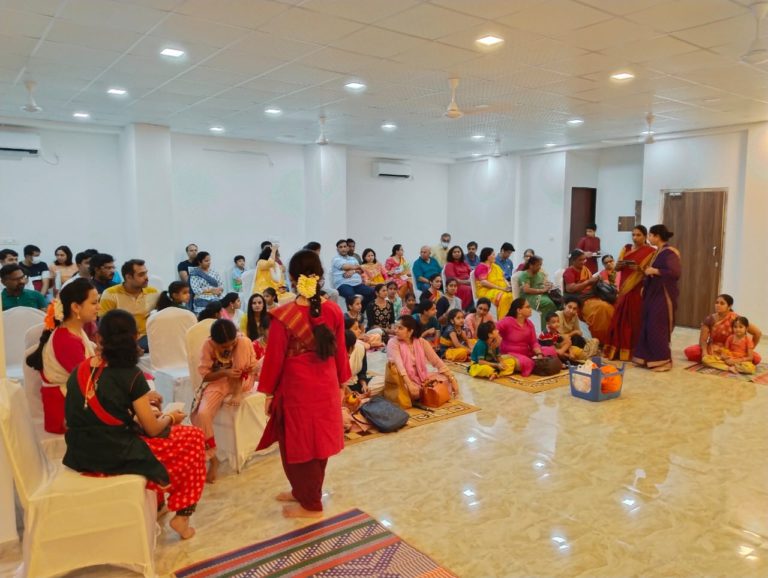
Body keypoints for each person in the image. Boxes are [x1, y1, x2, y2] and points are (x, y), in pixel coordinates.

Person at [63, 309, 206, 540]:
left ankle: (158, 502)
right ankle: (182, 515)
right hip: (116, 453)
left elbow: (82, 413)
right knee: (193, 437)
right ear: (134, 338)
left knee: (158, 435)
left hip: (80, 453)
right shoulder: (131, 374)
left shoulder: (79, 370)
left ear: (99, 337)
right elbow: (152, 428)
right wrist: (170, 417)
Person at [256, 250, 351, 518]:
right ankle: (302, 491)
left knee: (298, 443)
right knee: (316, 443)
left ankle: (311, 503)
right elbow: (340, 352)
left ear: (292, 278)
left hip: (297, 389)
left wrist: (267, 392)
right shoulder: (333, 310)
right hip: (326, 385)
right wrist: (342, 383)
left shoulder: (283, 315)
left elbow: (274, 358)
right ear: (319, 276)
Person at [25, 279, 98, 433]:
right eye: (93, 303)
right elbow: (88, 379)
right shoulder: (66, 340)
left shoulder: (75, 331)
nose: (98, 307)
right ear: (76, 307)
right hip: (65, 414)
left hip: (73, 404)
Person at [192, 318, 258, 483]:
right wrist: (224, 373)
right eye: (224, 346)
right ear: (214, 341)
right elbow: (206, 375)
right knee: (203, 413)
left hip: (242, 381)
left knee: (243, 343)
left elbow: (251, 367)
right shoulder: (208, 345)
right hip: (219, 381)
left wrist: (240, 375)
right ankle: (212, 458)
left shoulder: (242, 341)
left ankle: (236, 392)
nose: (229, 348)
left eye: (231, 343)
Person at [633, 224, 682, 372]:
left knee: (657, 326)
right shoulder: (657, 252)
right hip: (652, 294)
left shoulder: (670, 252)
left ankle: (663, 360)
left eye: (650, 235)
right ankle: (647, 358)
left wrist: (655, 270)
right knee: (647, 324)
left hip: (663, 294)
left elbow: (674, 273)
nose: (649, 238)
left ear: (657, 236)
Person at [604, 226, 656, 361]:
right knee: (619, 317)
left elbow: (650, 271)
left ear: (645, 236)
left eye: (638, 235)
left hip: (637, 288)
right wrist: (619, 266)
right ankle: (616, 350)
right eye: (633, 235)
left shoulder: (650, 251)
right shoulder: (626, 248)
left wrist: (639, 269)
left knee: (633, 319)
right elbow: (616, 267)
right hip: (624, 288)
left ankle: (633, 351)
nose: (635, 238)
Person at [387, 315, 458, 401]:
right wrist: (409, 384)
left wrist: (452, 379)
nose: (396, 330)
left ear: (410, 331)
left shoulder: (421, 342)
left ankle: (425, 391)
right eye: (396, 327)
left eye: (400, 328)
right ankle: (424, 392)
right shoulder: (393, 343)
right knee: (411, 392)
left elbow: (436, 361)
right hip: (402, 379)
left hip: (421, 377)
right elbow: (399, 367)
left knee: (446, 381)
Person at [99, 259, 159, 353]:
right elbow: (104, 324)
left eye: (146, 273)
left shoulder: (153, 293)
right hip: (121, 339)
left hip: (147, 338)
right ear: (128, 277)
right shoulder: (110, 293)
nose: (146, 278)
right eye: (141, 275)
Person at [684, 294, 762, 365]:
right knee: (691, 351)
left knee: (756, 358)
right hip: (713, 349)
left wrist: (749, 350)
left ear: (729, 306)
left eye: (722, 303)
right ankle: (725, 362)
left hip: (733, 351)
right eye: (717, 302)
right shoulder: (710, 319)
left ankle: (720, 362)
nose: (718, 305)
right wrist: (704, 352)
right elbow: (703, 340)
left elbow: (757, 333)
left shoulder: (735, 318)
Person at [563, 249, 614, 344]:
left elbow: (592, 285)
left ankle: (612, 341)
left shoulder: (585, 269)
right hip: (581, 299)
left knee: (611, 307)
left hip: (593, 296)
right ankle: (602, 341)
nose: (583, 262)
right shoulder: (569, 272)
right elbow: (570, 288)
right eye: (580, 260)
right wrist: (588, 282)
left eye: (584, 259)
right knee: (601, 309)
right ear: (573, 260)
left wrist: (597, 281)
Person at [496, 298, 558, 376]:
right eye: (527, 307)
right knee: (526, 362)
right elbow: (493, 329)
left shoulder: (529, 324)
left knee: (551, 350)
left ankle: (537, 364)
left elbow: (534, 342)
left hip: (526, 353)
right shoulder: (507, 321)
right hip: (510, 354)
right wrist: (497, 339)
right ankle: (537, 365)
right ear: (519, 310)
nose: (530, 309)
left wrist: (539, 354)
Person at [518, 255, 557, 330]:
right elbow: (526, 290)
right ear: (531, 265)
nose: (540, 267)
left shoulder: (540, 274)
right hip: (529, 296)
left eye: (540, 265)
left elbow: (543, 283)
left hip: (541, 294)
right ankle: (544, 330)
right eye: (538, 265)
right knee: (548, 304)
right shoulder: (525, 275)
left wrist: (549, 285)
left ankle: (552, 328)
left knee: (558, 303)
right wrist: (541, 290)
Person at [332, 239, 374, 307]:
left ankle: (361, 311)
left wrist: (353, 271)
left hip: (357, 284)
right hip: (343, 284)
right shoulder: (336, 259)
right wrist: (356, 268)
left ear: (347, 248)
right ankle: (351, 316)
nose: (343, 249)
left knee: (372, 292)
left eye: (345, 246)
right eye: (341, 247)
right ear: (337, 249)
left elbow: (361, 270)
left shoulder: (353, 259)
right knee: (351, 296)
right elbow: (345, 267)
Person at [475, 247, 514, 319]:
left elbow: (503, 279)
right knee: (504, 297)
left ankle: (510, 320)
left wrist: (508, 286)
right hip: (486, 291)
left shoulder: (496, 267)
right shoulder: (481, 267)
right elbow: (483, 283)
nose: (494, 256)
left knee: (512, 296)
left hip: (499, 290)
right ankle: (502, 320)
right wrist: (501, 288)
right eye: (493, 254)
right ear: (487, 256)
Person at [444, 245, 473, 310]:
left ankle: (472, 310)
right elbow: (452, 279)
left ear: (461, 253)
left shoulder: (465, 263)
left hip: (468, 283)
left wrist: (471, 281)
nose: (457, 253)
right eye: (454, 252)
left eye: (458, 252)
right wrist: (467, 282)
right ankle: (463, 309)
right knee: (469, 290)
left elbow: (471, 274)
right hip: (457, 285)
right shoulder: (449, 265)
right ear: (451, 254)